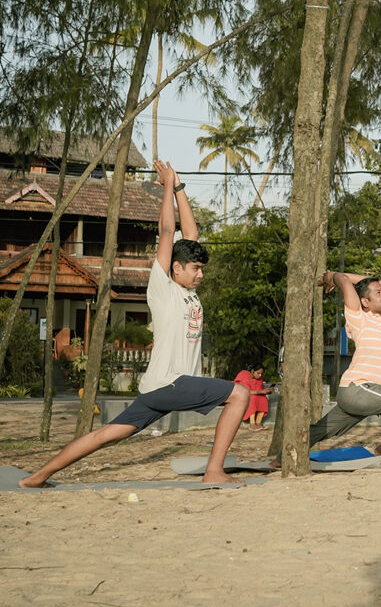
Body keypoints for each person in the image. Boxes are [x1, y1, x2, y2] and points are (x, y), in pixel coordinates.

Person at [19, 160, 251, 487]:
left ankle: (37, 477)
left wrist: (178, 186)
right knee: (240, 393)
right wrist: (166, 188)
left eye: (201, 269)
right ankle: (214, 470)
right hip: (171, 383)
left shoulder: (187, 288)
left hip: (160, 387)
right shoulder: (163, 287)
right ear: (175, 268)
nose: (200, 274)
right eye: (196, 268)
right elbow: (168, 232)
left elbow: (191, 235)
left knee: (105, 435)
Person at [301, 268, 381, 469]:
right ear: (365, 302)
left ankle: (282, 456)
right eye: (378, 293)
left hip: (367, 395)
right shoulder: (359, 317)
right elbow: (345, 281)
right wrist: (333, 277)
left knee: (323, 429)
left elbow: (371, 282)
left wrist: (371, 286)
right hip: (358, 389)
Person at [236, 365, 273, 431]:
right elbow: (245, 391)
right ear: (252, 371)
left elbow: (259, 390)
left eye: (261, 373)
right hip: (242, 394)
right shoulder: (244, 374)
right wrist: (260, 391)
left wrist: (267, 391)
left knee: (263, 399)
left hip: (254, 395)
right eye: (258, 373)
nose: (260, 375)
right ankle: (252, 424)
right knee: (252, 399)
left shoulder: (260, 378)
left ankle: (258, 423)